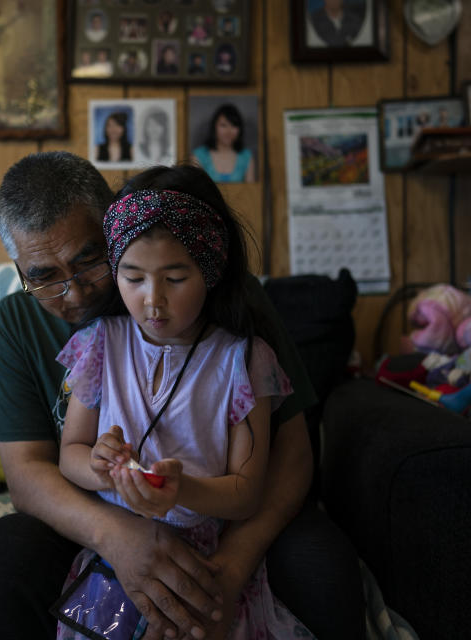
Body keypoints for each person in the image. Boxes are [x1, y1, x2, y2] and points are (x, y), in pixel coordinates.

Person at [0, 151, 365, 640]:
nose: (76, 293)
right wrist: (119, 537)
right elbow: (28, 474)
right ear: (20, 269)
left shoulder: (225, 305)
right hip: (98, 518)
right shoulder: (23, 324)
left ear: (115, 229)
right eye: (44, 276)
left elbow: (293, 454)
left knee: (322, 567)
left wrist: (226, 572)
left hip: (226, 519)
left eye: (89, 261)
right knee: (1, 561)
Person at [52, 168, 317, 639]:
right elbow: (70, 452)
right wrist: (99, 466)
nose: (152, 300)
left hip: (202, 557)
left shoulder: (244, 362)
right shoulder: (99, 346)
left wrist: (182, 492)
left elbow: (246, 494)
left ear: (210, 272)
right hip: (115, 551)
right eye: (132, 277)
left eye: (175, 277)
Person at [192, 103, 255, 184]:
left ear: (240, 129)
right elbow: (194, 190)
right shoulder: (199, 156)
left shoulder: (246, 156)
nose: (228, 131)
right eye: (223, 125)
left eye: (234, 125)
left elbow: (252, 193)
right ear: (214, 127)